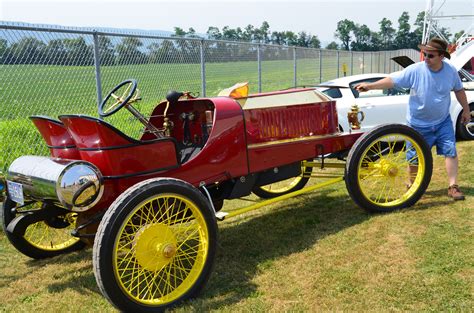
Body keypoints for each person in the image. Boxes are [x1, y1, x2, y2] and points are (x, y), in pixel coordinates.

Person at [355, 38, 470, 201]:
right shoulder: (415, 70)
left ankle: (453, 186)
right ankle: (413, 186)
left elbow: (459, 90)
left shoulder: (450, 71)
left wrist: (466, 110)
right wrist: (370, 86)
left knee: (450, 151)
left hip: (442, 122)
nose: (426, 58)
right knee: (414, 158)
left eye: (430, 55)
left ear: (442, 56)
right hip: (418, 125)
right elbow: (392, 81)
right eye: (424, 54)